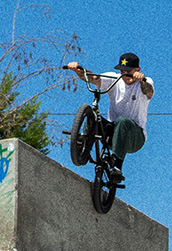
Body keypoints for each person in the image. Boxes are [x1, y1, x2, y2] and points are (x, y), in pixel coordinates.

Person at [65, 52, 154, 181]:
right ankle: (83, 149)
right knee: (93, 118)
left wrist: (142, 80)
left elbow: (149, 91)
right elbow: (93, 78)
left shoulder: (144, 82)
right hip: (113, 134)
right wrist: (78, 70)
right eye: (123, 71)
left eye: (130, 71)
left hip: (135, 137)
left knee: (123, 121)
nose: (126, 75)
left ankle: (117, 166)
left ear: (137, 70)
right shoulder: (114, 79)